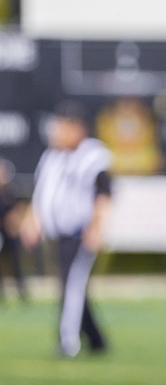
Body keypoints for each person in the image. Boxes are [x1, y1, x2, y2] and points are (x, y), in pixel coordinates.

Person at [20, 101, 112, 357]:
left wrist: (96, 228)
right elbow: (41, 195)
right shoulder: (51, 157)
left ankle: (67, 342)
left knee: (70, 286)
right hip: (58, 233)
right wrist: (32, 222)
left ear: (77, 128)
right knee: (71, 285)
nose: (55, 133)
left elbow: (104, 194)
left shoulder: (92, 155)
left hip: (79, 232)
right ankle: (97, 341)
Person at [0, 157, 29, 303]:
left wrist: (15, 223)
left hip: (9, 233)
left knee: (15, 263)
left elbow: (18, 209)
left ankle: (22, 294)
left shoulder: (11, 191)